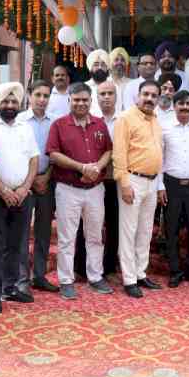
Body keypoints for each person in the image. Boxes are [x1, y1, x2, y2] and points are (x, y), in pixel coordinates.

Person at [47, 82, 113, 300]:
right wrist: (81, 167)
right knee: (67, 238)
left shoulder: (99, 124)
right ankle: (66, 280)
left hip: (95, 188)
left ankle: (96, 277)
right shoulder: (59, 125)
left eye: (85, 99)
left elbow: (108, 151)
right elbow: (53, 154)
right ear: (70, 101)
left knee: (95, 235)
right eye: (76, 100)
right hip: (68, 189)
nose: (81, 103)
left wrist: (97, 168)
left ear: (90, 101)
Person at [0, 82, 39, 314]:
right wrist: (2, 189)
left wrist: (25, 188)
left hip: (22, 194)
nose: (10, 105)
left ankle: (10, 287)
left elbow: (33, 159)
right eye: (5, 101)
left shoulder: (25, 127)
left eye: (14, 101)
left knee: (17, 243)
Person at [113, 80, 164, 298]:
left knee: (144, 231)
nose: (150, 99)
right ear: (137, 95)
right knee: (129, 231)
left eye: (154, 96)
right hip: (132, 181)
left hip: (152, 182)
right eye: (146, 94)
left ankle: (141, 273)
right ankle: (129, 279)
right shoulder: (125, 119)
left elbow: (158, 154)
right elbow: (119, 154)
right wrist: (124, 183)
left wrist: (159, 184)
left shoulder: (156, 120)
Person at [157, 90, 189, 288]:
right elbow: (160, 157)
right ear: (175, 106)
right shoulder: (165, 128)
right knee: (171, 230)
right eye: (181, 104)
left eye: (188, 104)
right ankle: (175, 271)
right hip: (171, 185)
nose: (185, 107)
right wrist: (160, 184)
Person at [75, 79, 121, 281]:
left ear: (116, 96)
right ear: (96, 98)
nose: (106, 97)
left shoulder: (124, 120)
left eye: (110, 93)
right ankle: (80, 268)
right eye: (102, 94)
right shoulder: (89, 120)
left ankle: (109, 267)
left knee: (113, 224)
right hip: (91, 180)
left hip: (116, 180)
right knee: (84, 225)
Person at [16, 81, 58, 293]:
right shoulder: (19, 121)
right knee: (22, 232)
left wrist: (47, 176)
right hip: (24, 184)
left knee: (43, 230)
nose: (42, 100)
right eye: (38, 95)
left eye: (46, 96)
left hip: (48, 181)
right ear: (29, 96)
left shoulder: (55, 122)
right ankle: (22, 279)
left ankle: (39, 275)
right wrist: (30, 181)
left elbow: (55, 153)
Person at [85, 48, 111, 116]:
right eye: (96, 65)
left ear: (107, 67)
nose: (100, 67)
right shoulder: (84, 87)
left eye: (103, 64)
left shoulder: (114, 87)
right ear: (90, 68)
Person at [107, 47, 132, 113]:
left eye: (123, 60)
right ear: (110, 64)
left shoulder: (132, 84)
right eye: (116, 60)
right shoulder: (104, 84)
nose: (119, 62)